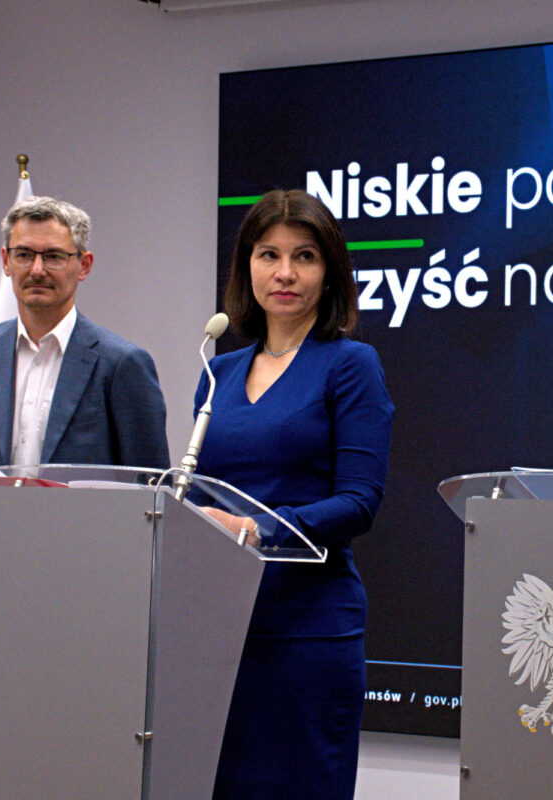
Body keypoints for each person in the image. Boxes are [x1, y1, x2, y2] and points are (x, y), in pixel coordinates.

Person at [189, 189, 393, 799]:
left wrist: (257, 529)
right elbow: (198, 494)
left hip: (307, 632)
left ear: (328, 271)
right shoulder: (218, 371)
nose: (284, 272)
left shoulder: (350, 364)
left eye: (304, 256)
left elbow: (359, 502)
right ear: (246, 267)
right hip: (217, 632)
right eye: (268, 254)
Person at [0, 196, 170, 715]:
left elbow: (150, 493)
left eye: (54, 256)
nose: (37, 269)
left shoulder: (122, 363)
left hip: (84, 598)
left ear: (83, 265)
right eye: (24, 254)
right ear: (5, 261)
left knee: (72, 743)